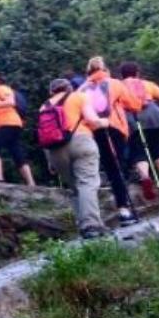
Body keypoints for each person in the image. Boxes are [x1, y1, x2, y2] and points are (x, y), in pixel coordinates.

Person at [41, 78, 109, 239]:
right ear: (69, 88)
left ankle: (82, 226)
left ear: (51, 91)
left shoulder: (44, 106)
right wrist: (105, 122)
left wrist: (49, 160)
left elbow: (44, 134)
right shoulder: (79, 96)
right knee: (87, 183)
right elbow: (93, 121)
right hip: (81, 141)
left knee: (75, 187)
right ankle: (91, 225)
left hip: (55, 150)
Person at [80, 56, 142, 225]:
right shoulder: (114, 83)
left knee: (111, 168)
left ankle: (120, 208)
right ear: (104, 68)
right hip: (114, 128)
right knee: (119, 166)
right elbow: (134, 105)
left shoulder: (82, 89)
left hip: (95, 131)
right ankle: (124, 209)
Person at [119, 61, 159, 200]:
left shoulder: (118, 86)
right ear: (137, 73)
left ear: (122, 75)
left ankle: (145, 178)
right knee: (157, 147)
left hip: (133, 119)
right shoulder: (146, 84)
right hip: (154, 116)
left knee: (138, 150)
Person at [0, 70, 35, 186]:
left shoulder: (1, 89)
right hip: (11, 124)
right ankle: (31, 183)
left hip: (8, 124)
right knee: (16, 152)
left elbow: (11, 102)